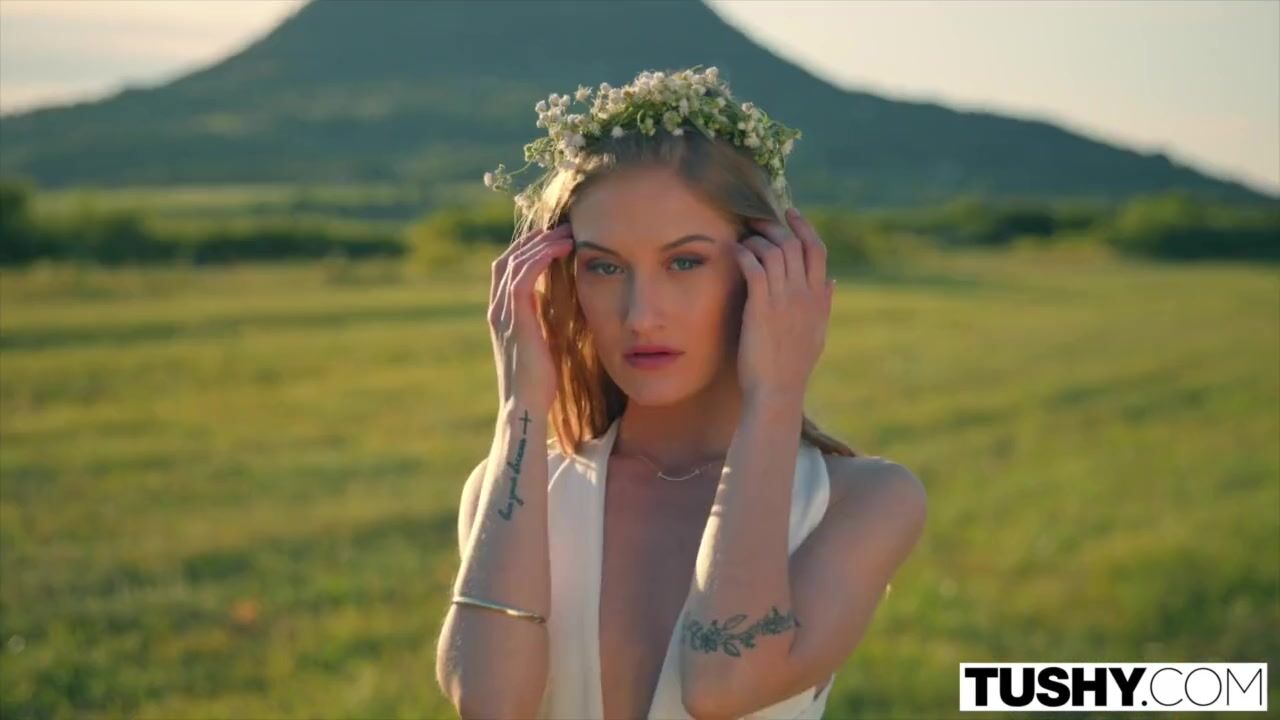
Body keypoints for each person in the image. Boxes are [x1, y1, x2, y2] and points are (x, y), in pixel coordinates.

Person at [437, 66, 927, 719]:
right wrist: (519, 408)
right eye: (604, 267)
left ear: (772, 268)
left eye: (685, 262)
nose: (641, 315)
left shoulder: (864, 501)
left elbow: (723, 687)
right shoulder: (514, 489)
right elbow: (490, 704)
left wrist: (776, 394)